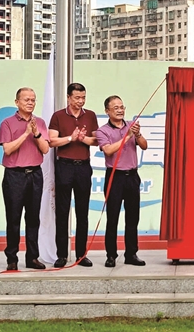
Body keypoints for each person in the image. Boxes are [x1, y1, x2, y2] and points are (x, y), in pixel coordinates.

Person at [0, 88, 51, 271]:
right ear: (17, 102)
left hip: (35, 174)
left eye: (33, 100)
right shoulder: (8, 123)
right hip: (15, 176)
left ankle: (32, 257)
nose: (30, 102)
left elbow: (45, 149)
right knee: (13, 218)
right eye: (26, 99)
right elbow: (8, 149)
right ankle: (11, 258)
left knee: (33, 218)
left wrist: (35, 133)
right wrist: (26, 133)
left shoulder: (40, 123)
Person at [48, 82, 99, 268]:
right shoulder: (58, 116)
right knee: (62, 211)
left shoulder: (90, 115)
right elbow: (52, 141)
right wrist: (71, 137)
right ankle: (62, 254)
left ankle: (81, 254)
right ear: (68, 97)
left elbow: (97, 140)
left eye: (83, 97)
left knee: (83, 212)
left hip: (83, 167)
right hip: (65, 167)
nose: (80, 101)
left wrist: (83, 139)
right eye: (77, 98)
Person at [95, 95, 148, 267]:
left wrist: (137, 134)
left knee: (133, 218)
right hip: (115, 176)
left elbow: (144, 145)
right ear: (107, 111)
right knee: (113, 217)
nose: (120, 110)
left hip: (132, 176)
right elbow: (109, 150)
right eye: (115, 107)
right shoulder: (102, 131)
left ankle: (131, 254)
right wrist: (126, 137)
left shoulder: (132, 126)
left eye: (122, 107)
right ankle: (111, 255)